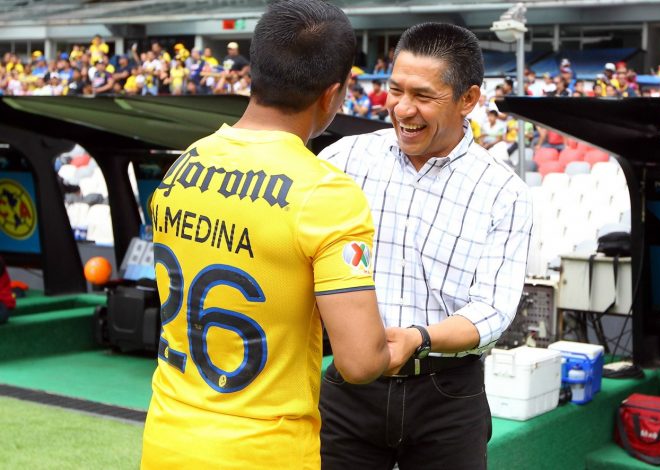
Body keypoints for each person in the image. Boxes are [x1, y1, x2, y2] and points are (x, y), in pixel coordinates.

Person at [140, 1, 390, 468]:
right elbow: (359, 362)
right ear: (333, 93)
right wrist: (397, 343)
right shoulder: (325, 192)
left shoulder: (184, 162)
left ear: (254, 71)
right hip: (264, 450)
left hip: (167, 437)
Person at [318, 22, 532, 470]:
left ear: (468, 100)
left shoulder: (502, 192)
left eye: (423, 96)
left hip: (448, 395)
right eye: (395, 90)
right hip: (349, 387)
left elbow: (492, 310)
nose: (403, 109)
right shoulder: (343, 160)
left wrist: (418, 339)